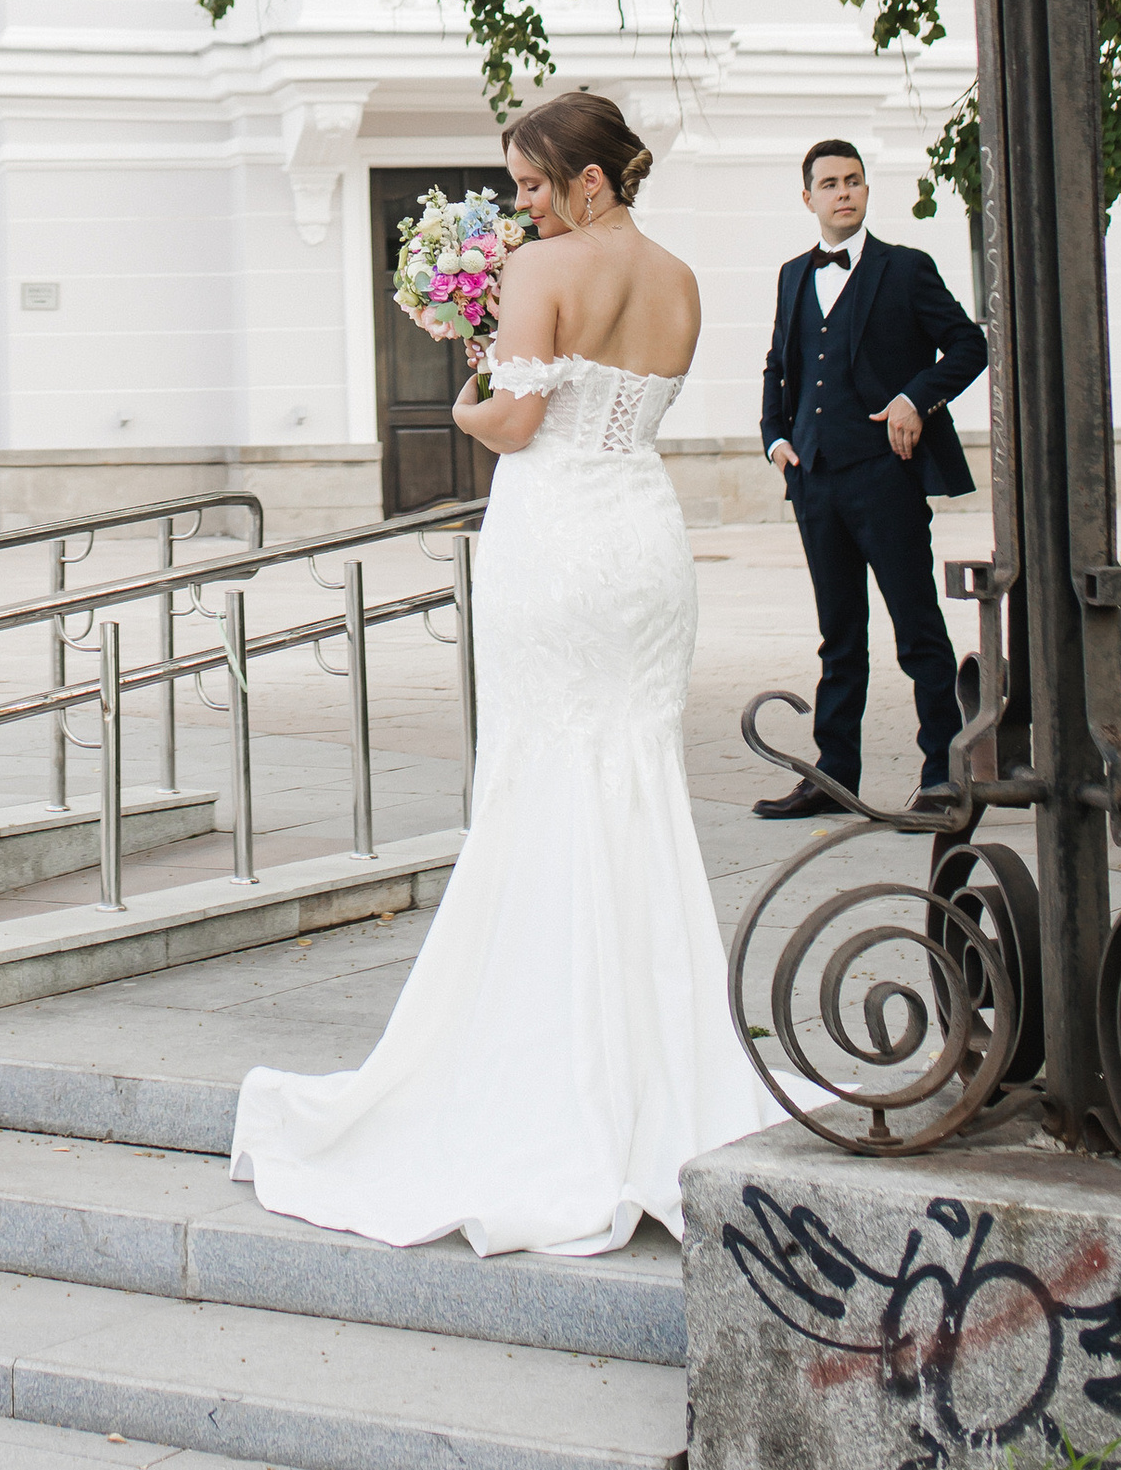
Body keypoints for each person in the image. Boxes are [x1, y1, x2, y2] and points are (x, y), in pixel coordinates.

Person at [230, 90, 768, 1261]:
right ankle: (661, 1067)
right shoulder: (678, 279)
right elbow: (625, 410)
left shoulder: (541, 269)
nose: (519, 207)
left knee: (541, 768)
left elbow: (519, 423)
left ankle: (547, 1066)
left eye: (530, 184)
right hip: (643, 543)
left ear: (588, 179)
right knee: (633, 776)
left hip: (557, 540)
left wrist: (465, 401)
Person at [753, 139, 987, 821]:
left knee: (918, 631)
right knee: (839, 636)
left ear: (865, 189)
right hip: (815, 478)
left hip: (886, 476)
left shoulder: (905, 268)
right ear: (808, 198)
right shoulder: (793, 274)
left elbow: (969, 344)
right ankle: (833, 776)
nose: (844, 192)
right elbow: (779, 364)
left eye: (853, 180)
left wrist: (917, 397)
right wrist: (775, 439)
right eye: (829, 183)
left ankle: (943, 775)